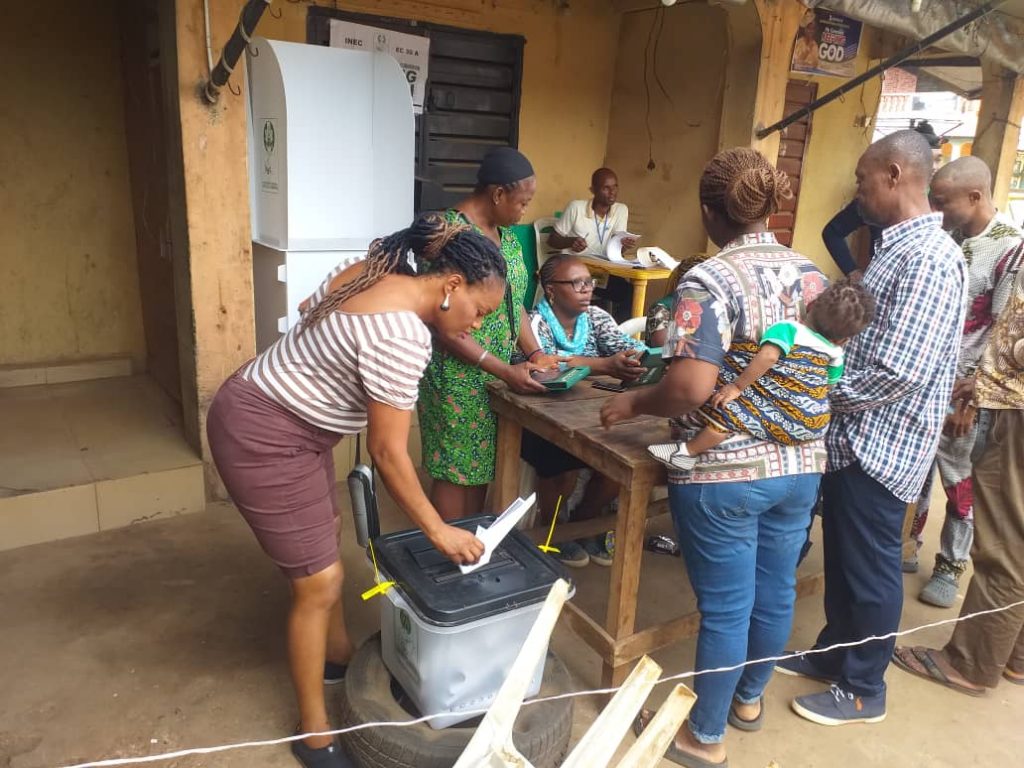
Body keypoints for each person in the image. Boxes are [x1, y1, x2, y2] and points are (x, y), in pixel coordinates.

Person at [206, 214, 508, 768]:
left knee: (327, 540)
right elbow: (388, 454)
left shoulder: (374, 270)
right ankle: (314, 733)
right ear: (451, 286)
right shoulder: (402, 336)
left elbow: (306, 313)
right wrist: (439, 531)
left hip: (270, 407)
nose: (476, 325)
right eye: (479, 312)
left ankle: (338, 655)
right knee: (319, 583)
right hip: (265, 434)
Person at [602, 148, 828, 767]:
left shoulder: (708, 281)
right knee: (775, 588)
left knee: (727, 604)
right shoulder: (813, 276)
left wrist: (634, 404)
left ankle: (704, 735)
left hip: (725, 471)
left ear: (709, 212)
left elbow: (690, 388)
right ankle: (748, 699)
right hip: (802, 463)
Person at [777, 130, 967, 726]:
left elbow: (897, 371)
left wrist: (816, 391)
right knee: (847, 559)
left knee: (872, 567)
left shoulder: (930, 259)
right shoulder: (895, 248)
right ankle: (835, 656)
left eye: (862, 181)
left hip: (881, 443)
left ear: (893, 174)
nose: (857, 192)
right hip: (855, 438)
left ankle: (864, 688)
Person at [892, 264, 1024, 694]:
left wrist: (990, 382)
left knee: (1003, 546)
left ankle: (970, 664)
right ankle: (1014, 656)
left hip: (1016, 415)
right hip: (1009, 401)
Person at [417, 147, 559, 521]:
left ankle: (469, 548)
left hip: (496, 375)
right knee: (455, 471)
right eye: (523, 202)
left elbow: (516, 305)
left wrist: (534, 354)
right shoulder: (446, 234)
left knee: (479, 467)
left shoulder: (507, 238)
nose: (524, 211)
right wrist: (502, 369)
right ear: (498, 194)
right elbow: (441, 322)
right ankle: (449, 557)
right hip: (455, 373)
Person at [912, 157, 1024, 603]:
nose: (937, 210)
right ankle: (910, 541)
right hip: (928, 380)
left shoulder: (1011, 251)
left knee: (959, 479)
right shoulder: (950, 239)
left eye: (943, 202)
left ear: (975, 197)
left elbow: (1002, 333)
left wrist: (971, 400)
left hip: (965, 390)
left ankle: (950, 565)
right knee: (917, 469)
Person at [647, 278, 875, 471]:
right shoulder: (836, 352)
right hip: (812, 424)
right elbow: (828, 385)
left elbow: (767, 357)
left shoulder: (789, 329)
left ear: (812, 304)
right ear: (845, 339)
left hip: (778, 414)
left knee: (728, 414)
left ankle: (687, 452)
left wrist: (736, 387)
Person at [521, 253, 648, 567]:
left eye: (589, 282)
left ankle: (583, 521)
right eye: (576, 283)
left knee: (624, 452)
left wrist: (636, 358)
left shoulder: (595, 317)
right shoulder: (536, 322)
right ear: (550, 289)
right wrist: (604, 365)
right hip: (543, 413)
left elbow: (626, 347)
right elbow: (545, 366)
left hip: (590, 410)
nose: (586, 289)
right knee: (556, 460)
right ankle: (555, 527)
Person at [822, 121, 945, 276]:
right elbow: (833, 232)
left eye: (938, 159)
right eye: (928, 160)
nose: (933, 167)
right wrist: (853, 273)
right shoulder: (875, 201)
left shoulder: (928, 257)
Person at [548, 167, 636, 258]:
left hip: (604, 266)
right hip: (576, 264)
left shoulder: (621, 210)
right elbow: (552, 240)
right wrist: (571, 242)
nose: (612, 192)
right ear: (593, 190)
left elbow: (617, 249)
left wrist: (624, 245)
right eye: (606, 188)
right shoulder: (576, 207)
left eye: (615, 186)